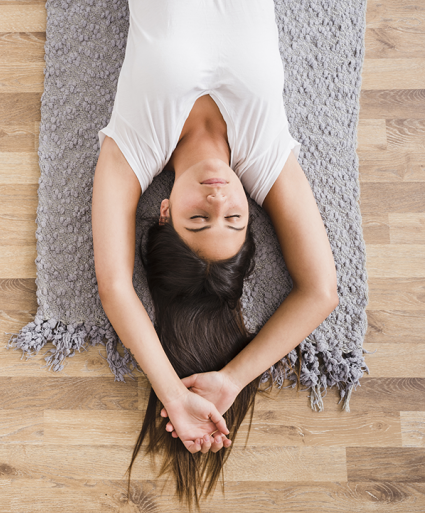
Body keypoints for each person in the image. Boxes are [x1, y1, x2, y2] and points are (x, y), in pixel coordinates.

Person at [91, 0, 339, 506]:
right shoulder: (264, 151)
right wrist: (231, 379)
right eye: (233, 218)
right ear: (253, 220)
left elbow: (115, 286)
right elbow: (321, 291)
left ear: (162, 212)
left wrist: (173, 393)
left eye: (197, 219)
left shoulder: (135, 146)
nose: (219, 197)